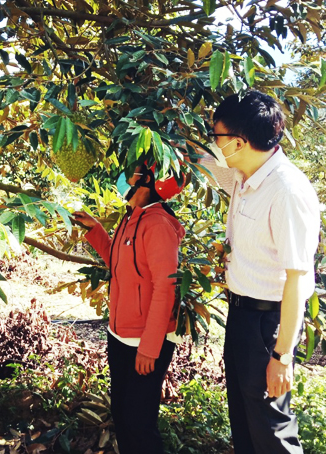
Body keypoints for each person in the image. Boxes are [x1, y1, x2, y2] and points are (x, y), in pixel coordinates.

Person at [201, 90, 320, 454]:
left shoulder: (286, 191)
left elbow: (298, 279)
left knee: (271, 431)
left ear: (238, 142)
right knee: (245, 423)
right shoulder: (241, 174)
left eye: (217, 136)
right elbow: (202, 161)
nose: (213, 143)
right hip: (240, 317)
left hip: (267, 326)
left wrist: (283, 356)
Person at [72, 164, 186, 454]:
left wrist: (150, 347)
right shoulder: (132, 217)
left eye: (134, 173)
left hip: (145, 341)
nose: (126, 177)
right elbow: (121, 264)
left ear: (147, 181)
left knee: (139, 424)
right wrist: (95, 229)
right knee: (123, 416)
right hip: (121, 334)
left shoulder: (157, 224)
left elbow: (165, 287)